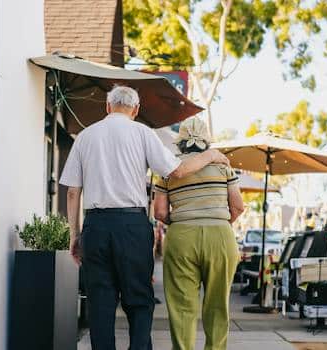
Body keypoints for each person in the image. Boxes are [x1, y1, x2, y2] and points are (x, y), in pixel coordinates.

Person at [60, 85, 230, 350]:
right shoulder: (143, 133)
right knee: (139, 301)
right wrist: (211, 154)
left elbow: (72, 192)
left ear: (107, 106)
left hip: (96, 225)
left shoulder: (85, 136)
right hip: (132, 226)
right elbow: (179, 171)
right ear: (136, 110)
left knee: (100, 305)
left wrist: (75, 234)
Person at [153, 117, 245, 350]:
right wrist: (219, 220)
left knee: (182, 308)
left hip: (182, 238)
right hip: (220, 238)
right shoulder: (223, 165)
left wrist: (184, 219)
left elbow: (160, 211)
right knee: (217, 306)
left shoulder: (169, 167)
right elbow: (238, 207)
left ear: (180, 142)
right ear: (206, 141)